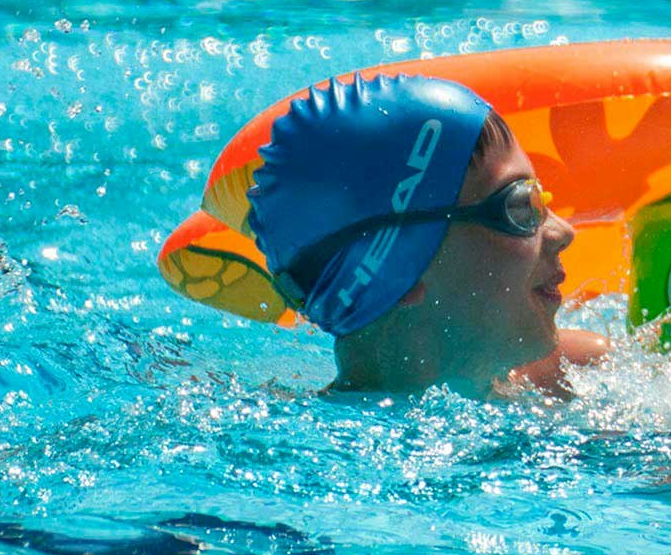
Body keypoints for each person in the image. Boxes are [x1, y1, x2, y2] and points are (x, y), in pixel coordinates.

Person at [247, 74, 609, 397]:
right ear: (397, 274)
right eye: (520, 206)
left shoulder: (584, 372)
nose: (564, 232)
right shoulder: (294, 438)